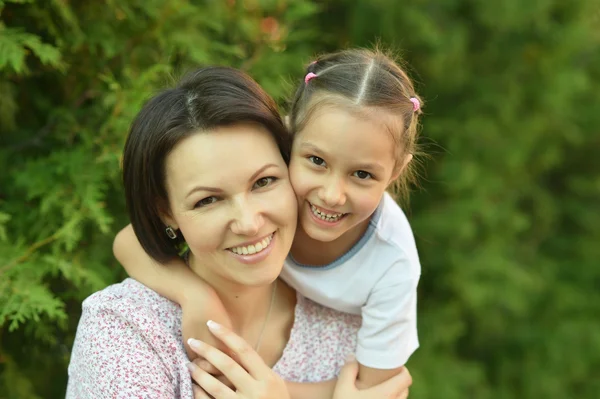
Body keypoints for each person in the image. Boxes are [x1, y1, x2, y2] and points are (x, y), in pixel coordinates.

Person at [66, 65, 413, 398]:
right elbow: (132, 239)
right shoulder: (125, 332)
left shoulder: (347, 327)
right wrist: (194, 295)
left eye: (264, 181)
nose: (248, 223)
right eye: (208, 200)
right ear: (166, 213)